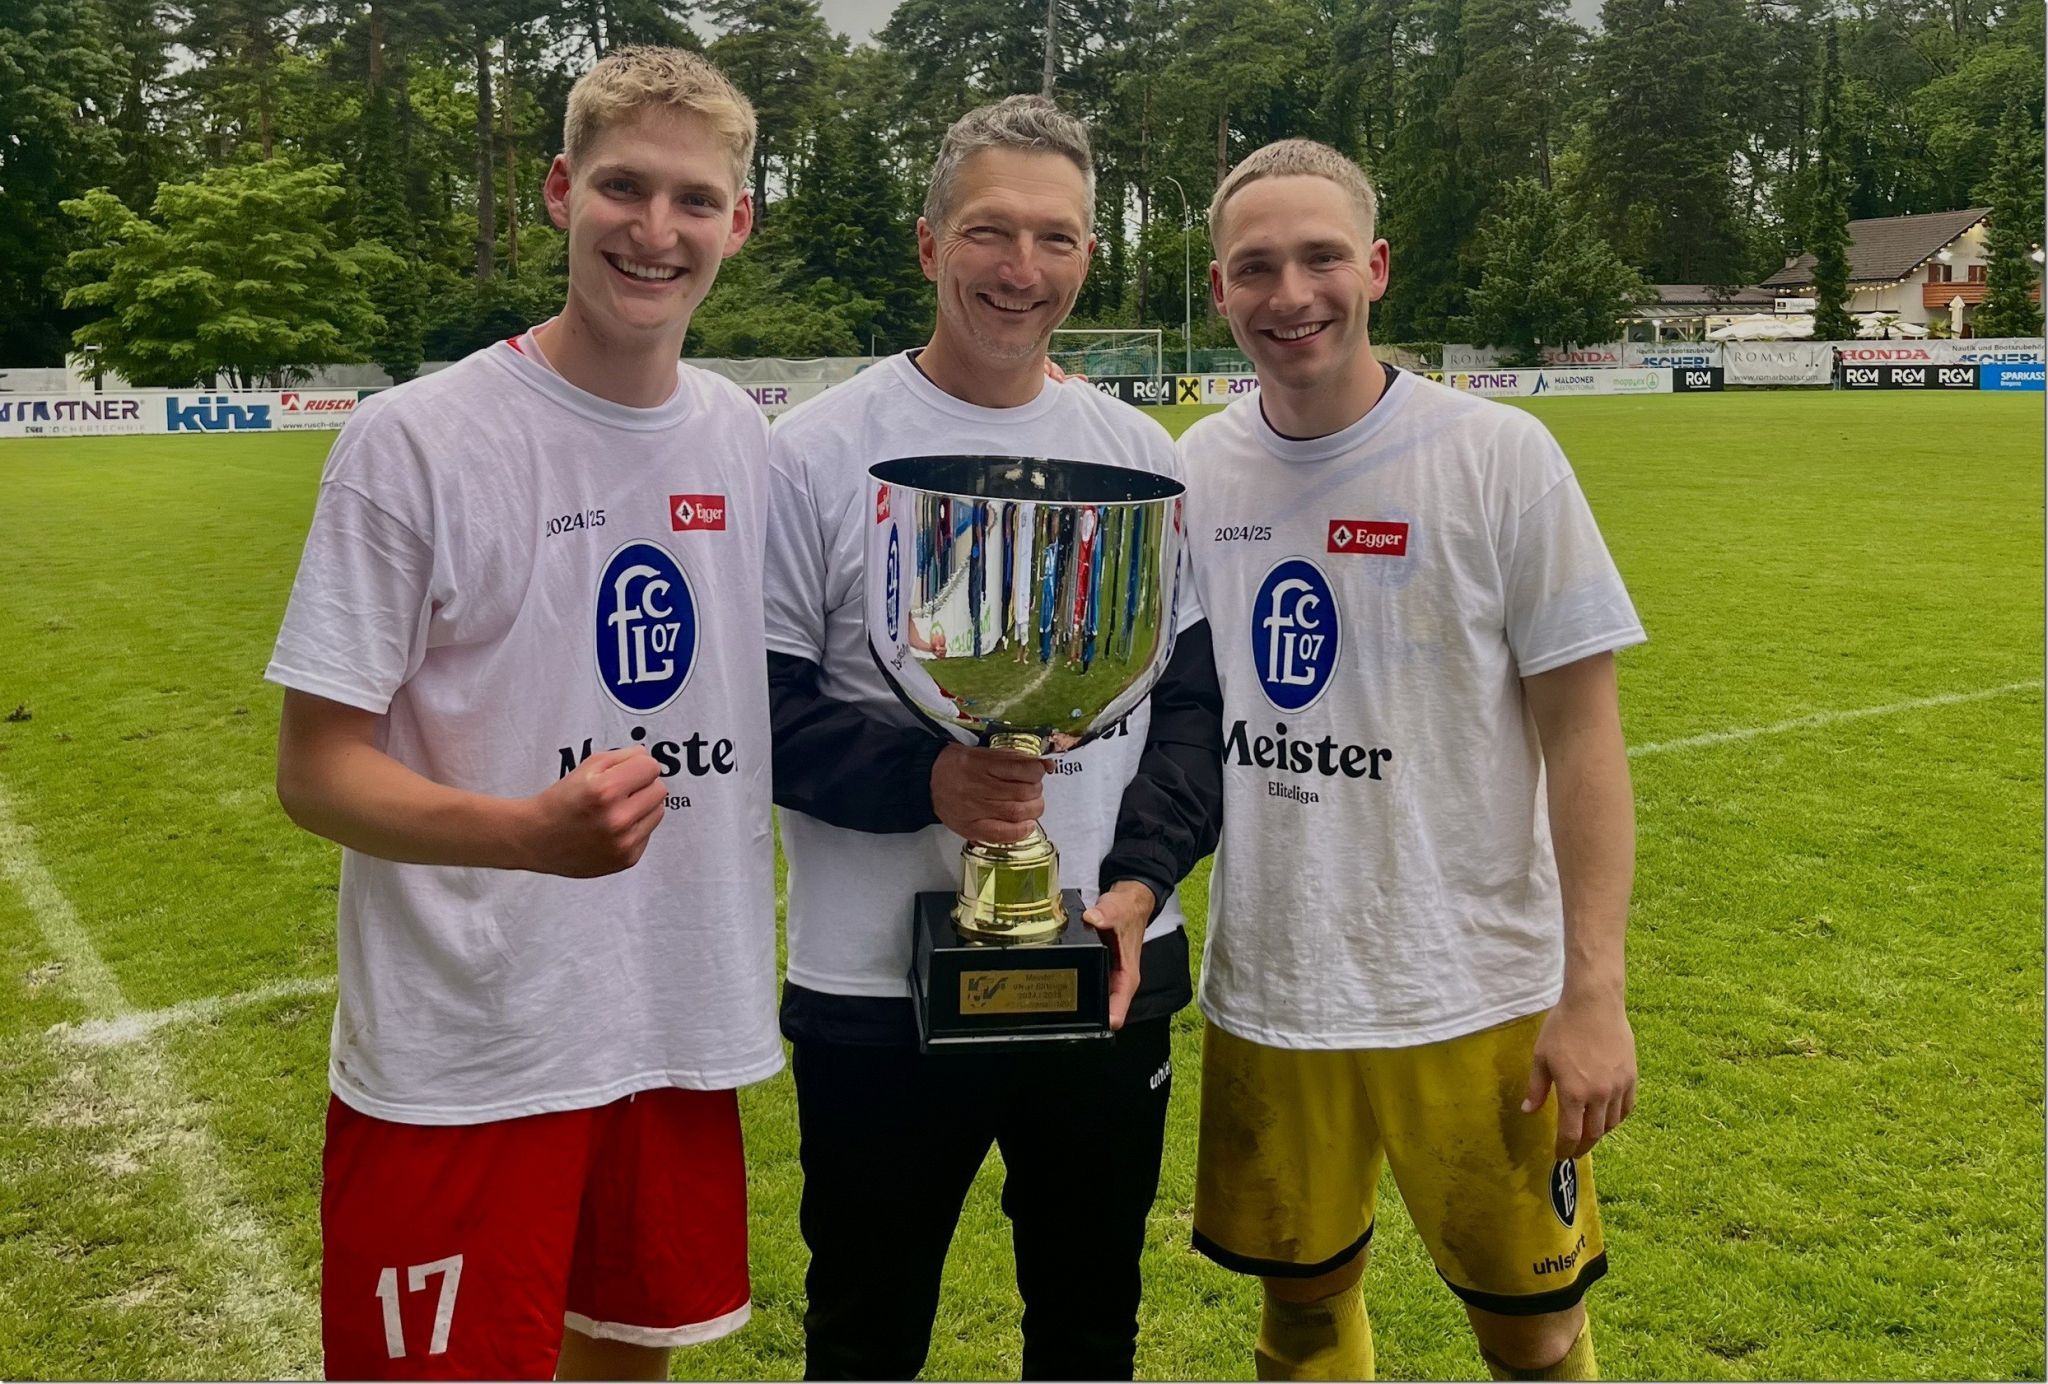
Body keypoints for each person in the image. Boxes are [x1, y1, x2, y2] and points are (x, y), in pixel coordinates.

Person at [266, 47, 779, 1381]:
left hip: (672, 1025)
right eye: (623, 186)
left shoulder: (744, 441)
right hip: (468, 1044)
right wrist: (525, 833)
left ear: (740, 220)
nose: (655, 231)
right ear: (561, 190)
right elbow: (316, 772)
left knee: (632, 1358)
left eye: (694, 199)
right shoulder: (416, 440)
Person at [762, 94, 1223, 1381]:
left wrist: (1135, 885)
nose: (1021, 269)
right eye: (988, 230)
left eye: (1056, 238)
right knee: (865, 1329)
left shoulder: (1137, 456)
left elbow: (1189, 705)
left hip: (1106, 972)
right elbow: (758, 705)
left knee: (1087, 1327)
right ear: (927, 246)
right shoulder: (811, 454)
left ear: (1087, 256)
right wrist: (930, 777)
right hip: (871, 989)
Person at [1180, 138, 1644, 1382]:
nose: (1290, 295)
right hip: (1273, 987)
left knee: (1532, 1334)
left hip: (1476, 992)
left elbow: (1583, 737)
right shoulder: (1193, 471)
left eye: (1320, 257)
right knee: (1299, 1314)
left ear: (1374, 266)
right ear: (1219, 289)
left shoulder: (1496, 457)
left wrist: (1591, 990)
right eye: (1254, 267)